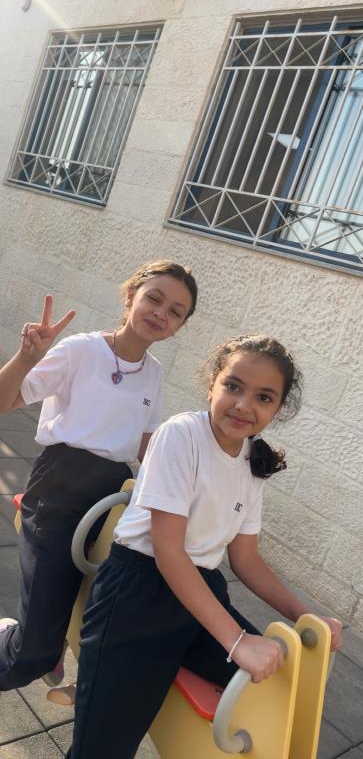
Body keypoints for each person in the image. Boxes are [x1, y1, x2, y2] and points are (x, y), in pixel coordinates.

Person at [65, 334, 342, 759]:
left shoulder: (252, 460)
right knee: (103, 749)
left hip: (198, 594)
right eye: (233, 386)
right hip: (137, 595)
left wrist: (305, 617)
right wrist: (237, 641)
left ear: (278, 408)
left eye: (264, 397)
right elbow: (169, 552)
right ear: (212, 383)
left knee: (278, 684)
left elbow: (246, 559)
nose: (244, 405)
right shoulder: (182, 435)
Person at [0, 259, 198, 692]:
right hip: (59, 484)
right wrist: (26, 358)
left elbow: (146, 446)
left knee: (98, 597)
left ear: (179, 326)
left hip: (113, 494)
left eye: (175, 311)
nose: (161, 314)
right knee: (30, 653)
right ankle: (18, 642)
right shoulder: (81, 350)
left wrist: (187, 485)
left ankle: (49, 643)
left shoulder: (154, 373)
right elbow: (4, 400)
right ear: (130, 297)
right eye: (154, 299)